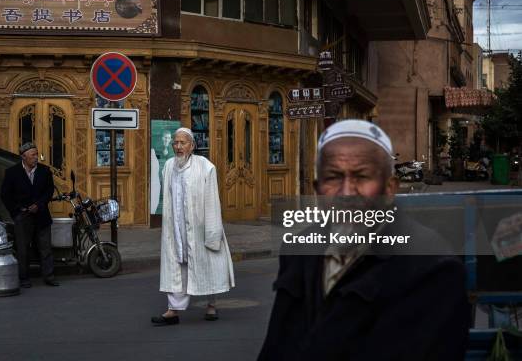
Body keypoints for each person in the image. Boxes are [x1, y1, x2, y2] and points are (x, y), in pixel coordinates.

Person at [258, 120, 470, 360]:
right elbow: (277, 345)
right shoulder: (300, 248)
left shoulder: (432, 264)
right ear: (318, 190)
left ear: (389, 189)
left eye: (361, 177)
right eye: (333, 177)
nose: (346, 191)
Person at [151, 127, 235, 326]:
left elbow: (213, 200)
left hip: (200, 226)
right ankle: (173, 310)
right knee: (176, 265)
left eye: (183, 143)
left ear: (192, 146)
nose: (178, 147)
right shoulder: (169, 166)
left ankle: (211, 305)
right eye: (176, 143)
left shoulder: (205, 166)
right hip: (176, 226)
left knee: (208, 263)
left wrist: (212, 231)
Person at [1, 142, 59, 288]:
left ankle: (49, 276)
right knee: (23, 248)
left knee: (45, 248)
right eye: (33, 155)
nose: (36, 157)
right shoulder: (12, 172)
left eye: (36, 154)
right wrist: (16, 212)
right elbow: (5, 195)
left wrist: (39, 205)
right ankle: (24, 278)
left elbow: (49, 191)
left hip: (42, 215)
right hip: (22, 216)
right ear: (24, 157)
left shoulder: (45, 171)